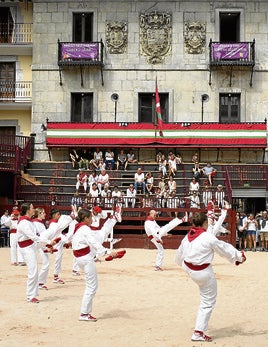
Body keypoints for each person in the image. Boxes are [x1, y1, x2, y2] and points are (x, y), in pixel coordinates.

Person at [175, 211, 246, 342]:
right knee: (207, 302)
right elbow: (224, 249)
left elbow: (179, 255)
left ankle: (199, 331)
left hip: (188, 267)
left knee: (205, 297)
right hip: (203, 273)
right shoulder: (208, 237)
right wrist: (239, 257)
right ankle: (198, 332)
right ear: (205, 223)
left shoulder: (187, 237)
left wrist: (182, 265)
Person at [72, 208, 126, 321]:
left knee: (101, 234)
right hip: (86, 259)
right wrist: (108, 252)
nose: (92, 219)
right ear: (86, 218)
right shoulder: (85, 229)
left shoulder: (78, 227)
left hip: (81, 257)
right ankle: (84, 314)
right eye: (90, 217)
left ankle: (84, 313)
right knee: (92, 286)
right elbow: (94, 242)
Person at [16, 202, 60, 303]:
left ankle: (32, 294)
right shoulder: (23, 223)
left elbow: (36, 238)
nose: (34, 209)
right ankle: (30, 296)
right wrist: (48, 242)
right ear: (27, 210)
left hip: (31, 245)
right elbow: (34, 237)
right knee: (33, 271)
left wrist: (46, 246)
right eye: (32, 208)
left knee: (34, 270)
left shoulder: (29, 221)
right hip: (27, 247)